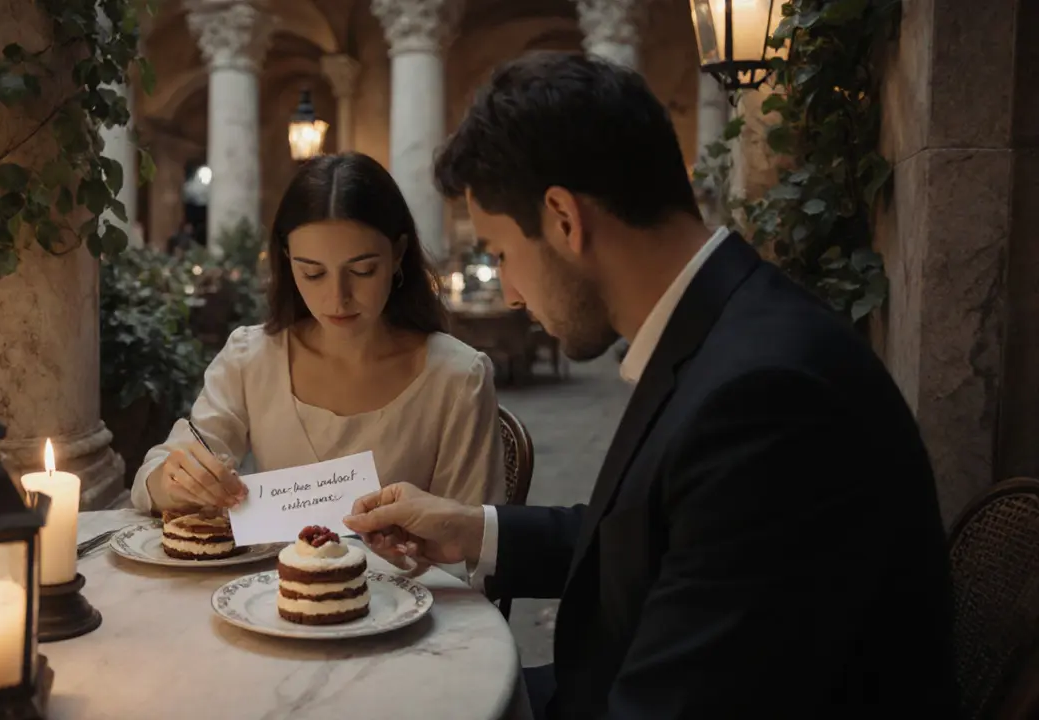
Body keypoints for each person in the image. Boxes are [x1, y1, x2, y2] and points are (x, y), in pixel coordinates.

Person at [343, 53, 958, 719]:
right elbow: (667, 539)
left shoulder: (767, 398)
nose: (511, 292)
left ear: (563, 219)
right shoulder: (728, 329)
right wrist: (474, 531)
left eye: (499, 253)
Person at [132, 152, 506, 518]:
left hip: (407, 582)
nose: (337, 298)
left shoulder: (456, 378)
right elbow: (156, 475)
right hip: (272, 580)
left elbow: (472, 548)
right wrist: (178, 482)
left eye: (362, 271)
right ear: (286, 260)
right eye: (312, 273)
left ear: (397, 255)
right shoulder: (253, 357)